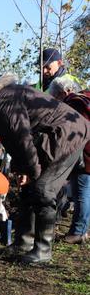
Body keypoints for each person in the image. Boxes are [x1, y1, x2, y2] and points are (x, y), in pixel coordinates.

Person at [0, 74, 89, 263]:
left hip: (68, 132)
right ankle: (24, 242)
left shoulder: (0, 103)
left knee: (42, 189)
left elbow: (22, 140)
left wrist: (31, 171)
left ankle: (43, 249)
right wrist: (23, 170)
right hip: (54, 133)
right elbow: (15, 142)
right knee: (29, 188)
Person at [48, 77, 90, 244]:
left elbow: (71, 132)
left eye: (56, 97)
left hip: (84, 154)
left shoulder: (73, 103)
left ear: (64, 92)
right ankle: (82, 230)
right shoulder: (86, 98)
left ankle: (78, 232)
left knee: (81, 193)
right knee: (84, 192)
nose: (57, 101)